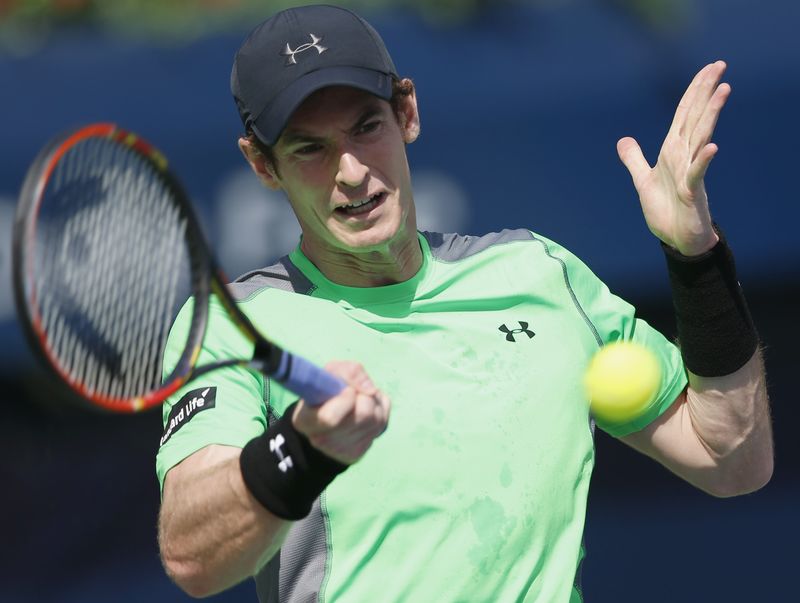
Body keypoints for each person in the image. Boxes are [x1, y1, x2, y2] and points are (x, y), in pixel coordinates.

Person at [156, 5, 773, 601]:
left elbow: (732, 459)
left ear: (407, 112)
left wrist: (695, 257)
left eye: (366, 127)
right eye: (308, 148)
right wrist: (301, 446)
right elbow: (193, 557)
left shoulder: (540, 274)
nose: (349, 171)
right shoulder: (234, 325)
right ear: (262, 165)